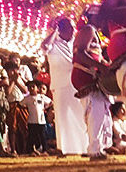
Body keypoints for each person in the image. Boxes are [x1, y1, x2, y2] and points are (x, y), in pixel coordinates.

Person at [41, 18, 88, 155]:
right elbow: (44, 47)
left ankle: (83, 147)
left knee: (80, 116)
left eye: (73, 27)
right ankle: (64, 148)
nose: (72, 30)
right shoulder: (53, 43)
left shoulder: (76, 42)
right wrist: (55, 31)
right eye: (69, 27)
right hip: (60, 84)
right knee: (63, 117)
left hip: (77, 82)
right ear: (61, 29)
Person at [71, 24, 113, 160]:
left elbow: (95, 56)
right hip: (85, 75)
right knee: (95, 111)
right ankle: (94, 149)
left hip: (90, 75)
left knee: (99, 111)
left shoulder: (93, 33)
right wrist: (100, 66)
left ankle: (97, 147)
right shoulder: (88, 30)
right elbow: (80, 53)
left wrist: (106, 65)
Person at [21, 81, 53, 154]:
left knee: (42, 136)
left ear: (37, 88)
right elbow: (21, 104)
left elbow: (51, 102)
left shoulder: (41, 97)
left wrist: (45, 108)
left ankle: (45, 150)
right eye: (29, 87)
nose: (31, 89)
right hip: (31, 121)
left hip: (41, 120)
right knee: (31, 136)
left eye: (33, 87)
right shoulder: (27, 98)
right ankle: (31, 150)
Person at [5, 63, 29, 155]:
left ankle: (26, 149)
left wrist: (17, 81)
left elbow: (25, 90)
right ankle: (13, 150)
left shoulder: (19, 79)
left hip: (21, 104)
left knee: (25, 127)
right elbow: (7, 92)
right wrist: (13, 81)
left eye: (15, 70)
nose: (14, 72)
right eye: (12, 70)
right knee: (12, 128)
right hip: (12, 104)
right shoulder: (6, 80)